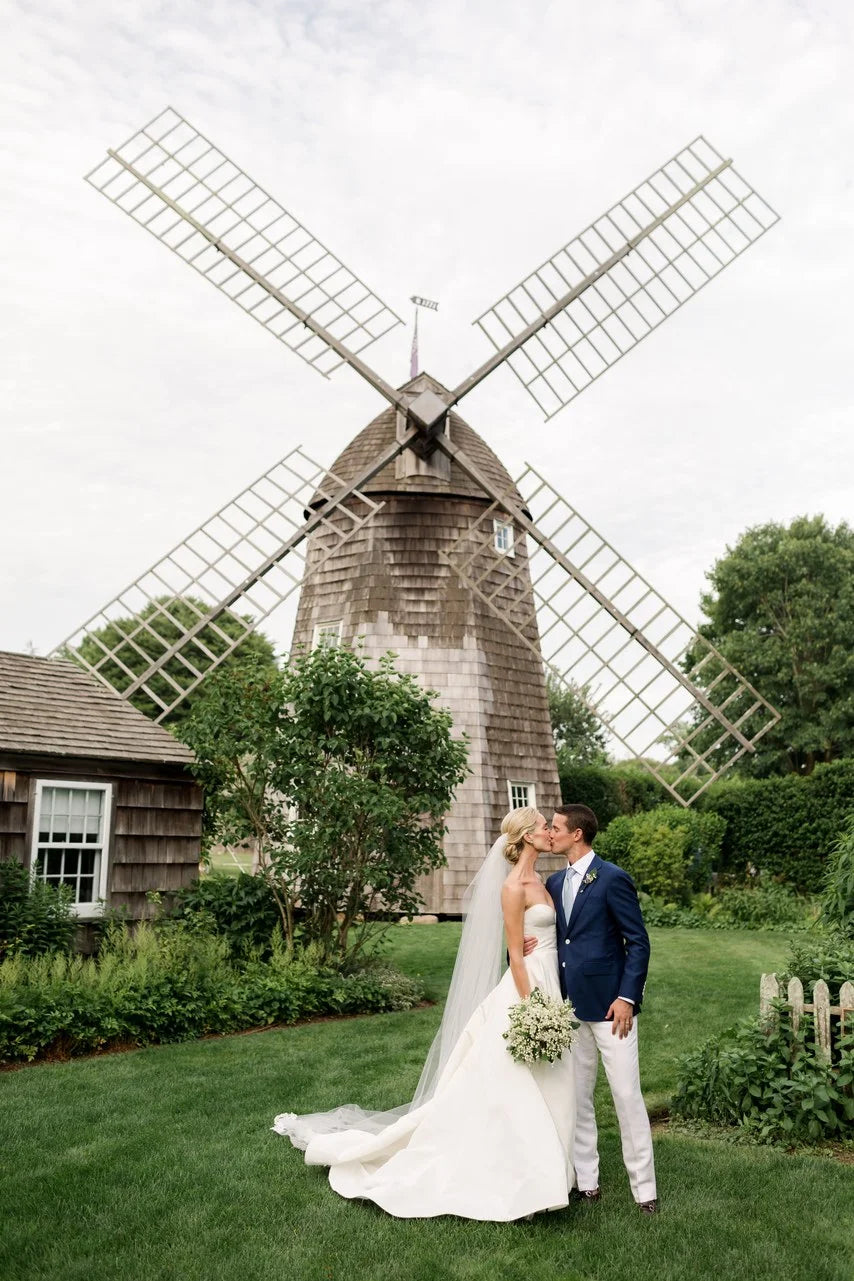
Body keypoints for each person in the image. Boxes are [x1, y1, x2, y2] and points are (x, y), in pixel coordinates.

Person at [272, 807, 576, 1221]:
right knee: (514, 1081)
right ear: (526, 836)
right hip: (528, 991)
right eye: (543, 826)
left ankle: (552, 1167)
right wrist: (533, 1007)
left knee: (546, 1078)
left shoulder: (542, 880)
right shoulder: (512, 886)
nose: (548, 831)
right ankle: (519, 1174)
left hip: (549, 980)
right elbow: (514, 956)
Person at [524, 803, 657, 1213]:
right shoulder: (555, 881)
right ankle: (587, 1181)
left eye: (556, 828)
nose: (550, 833)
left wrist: (627, 998)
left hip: (612, 1009)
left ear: (576, 834)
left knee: (626, 1096)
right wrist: (529, 943)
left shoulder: (613, 878)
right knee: (578, 1097)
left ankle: (645, 1190)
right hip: (568, 1006)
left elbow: (638, 942)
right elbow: (557, 935)